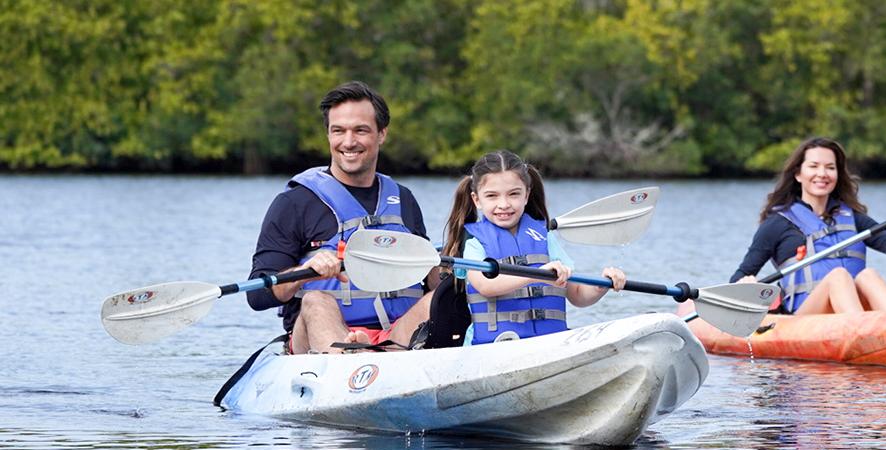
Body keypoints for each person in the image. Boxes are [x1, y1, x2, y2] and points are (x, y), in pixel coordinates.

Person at [247, 81, 437, 354]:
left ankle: (386, 357)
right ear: (328, 135)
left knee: (438, 300)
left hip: (396, 336)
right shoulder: (294, 203)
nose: (349, 142)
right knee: (315, 300)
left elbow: (430, 280)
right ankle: (350, 360)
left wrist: (444, 271)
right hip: (322, 339)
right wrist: (304, 273)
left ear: (381, 134)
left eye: (361, 130)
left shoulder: (403, 200)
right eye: (339, 131)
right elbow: (257, 295)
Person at [424, 150, 627, 347]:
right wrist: (537, 275)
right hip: (492, 347)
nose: (503, 204)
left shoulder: (544, 238)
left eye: (513, 194)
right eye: (492, 196)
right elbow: (484, 286)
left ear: (527, 195)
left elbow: (577, 295)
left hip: (550, 343)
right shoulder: (475, 242)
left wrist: (602, 285)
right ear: (477, 200)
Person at [731, 137, 886, 315]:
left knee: (868, 275)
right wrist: (747, 285)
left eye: (830, 168)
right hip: (806, 320)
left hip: (851, 314)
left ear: (837, 175)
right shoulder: (777, 224)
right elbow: (737, 279)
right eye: (814, 166)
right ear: (798, 174)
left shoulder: (852, 218)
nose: (822, 174)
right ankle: (864, 331)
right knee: (838, 277)